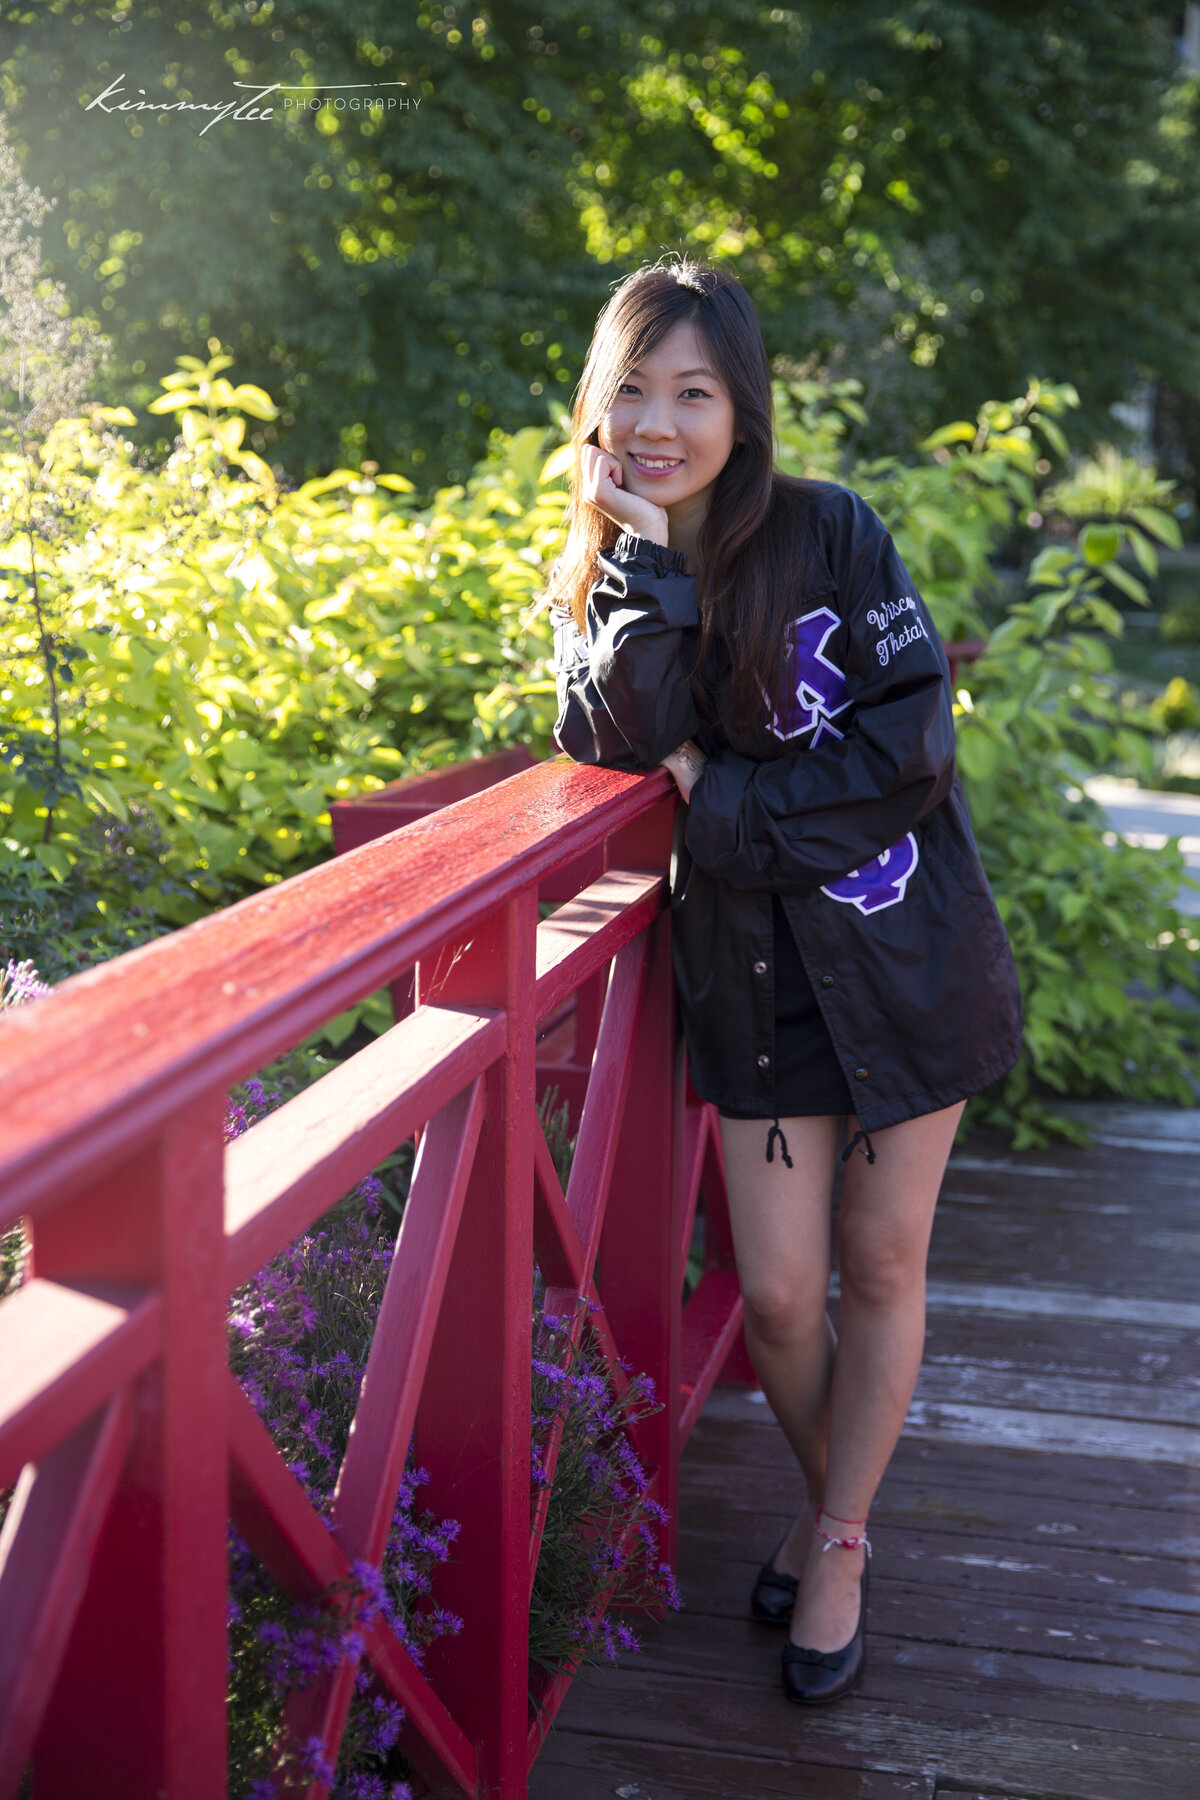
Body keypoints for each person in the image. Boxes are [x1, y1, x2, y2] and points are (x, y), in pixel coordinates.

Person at [541, 253, 1024, 1706]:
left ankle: (840, 1544)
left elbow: (909, 747)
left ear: (743, 410)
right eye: (632, 387)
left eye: (693, 390)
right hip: (753, 984)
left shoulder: (835, 535)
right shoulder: (605, 575)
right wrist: (644, 563)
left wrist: (729, 804)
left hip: (905, 956)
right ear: (597, 407)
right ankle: (841, 1512)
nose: (659, 420)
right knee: (781, 1299)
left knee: (880, 1265)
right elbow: (619, 741)